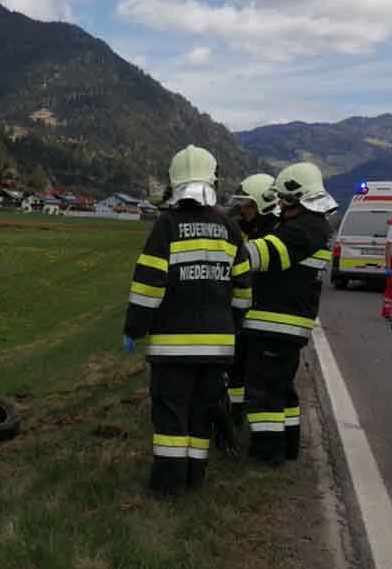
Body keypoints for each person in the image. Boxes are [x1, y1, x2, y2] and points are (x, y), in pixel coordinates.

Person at [124, 145, 251, 496]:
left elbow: (148, 286)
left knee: (170, 417)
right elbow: (243, 290)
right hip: (218, 347)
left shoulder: (166, 226)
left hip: (172, 348)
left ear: (174, 181)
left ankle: (167, 486)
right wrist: (232, 325)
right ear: (212, 180)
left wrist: (134, 328)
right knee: (201, 415)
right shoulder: (229, 227)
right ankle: (194, 479)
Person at [241, 163, 335, 465]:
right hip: (287, 325)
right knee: (282, 390)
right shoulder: (313, 226)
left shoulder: (303, 231)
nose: (279, 205)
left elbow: (258, 256)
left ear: (299, 198)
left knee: (264, 393)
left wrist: (222, 238)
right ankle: (289, 445)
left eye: (284, 200)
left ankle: (267, 453)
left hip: (277, 324)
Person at [226, 173, 277, 423]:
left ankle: (245, 415)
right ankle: (235, 413)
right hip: (244, 308)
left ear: (261, 203)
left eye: (248, 204)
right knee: (236, 364)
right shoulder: (250, 226)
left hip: (259, 311)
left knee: (252, 369)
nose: (243, 209)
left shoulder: (272, 232)